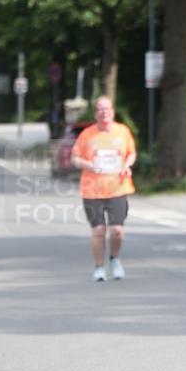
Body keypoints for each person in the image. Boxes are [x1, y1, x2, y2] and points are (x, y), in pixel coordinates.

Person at [71, 96, 136, 282]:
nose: (104, 112)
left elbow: (131, 153)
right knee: (99, 230)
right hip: (92, 190)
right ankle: (99, 267)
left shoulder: (122, 132)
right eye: (100, 109)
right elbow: (74, 159)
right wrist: (87, 165)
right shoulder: (87, 135)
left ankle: (115, 259)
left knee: (117, 230)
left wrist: (127, 165)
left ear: (113, 112)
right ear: (95, 113)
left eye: (107, 109)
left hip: (118, 187)